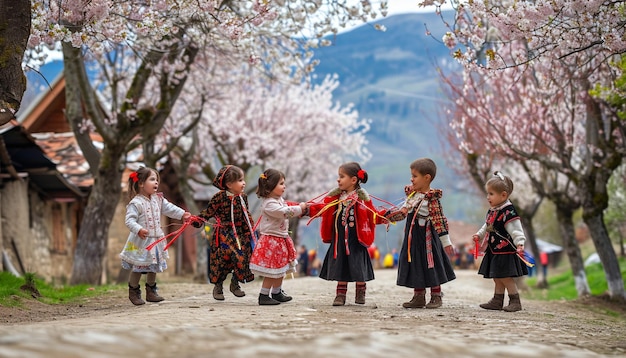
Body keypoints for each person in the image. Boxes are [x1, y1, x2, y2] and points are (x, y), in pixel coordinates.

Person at [308, 162, 389, 306]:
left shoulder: (363, 199)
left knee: (357, 265)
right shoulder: (336, 198)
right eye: (338, 176)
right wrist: (306, 210)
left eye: (342, 176)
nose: (338, 180)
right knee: (341, 265)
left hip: (356, 240)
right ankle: (340, 295)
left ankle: (360, 292)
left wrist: (389, 216)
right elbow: (322, 209)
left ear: (353, 180)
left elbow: (373, 215)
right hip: (339, 240)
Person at [384, 158, 456, 309]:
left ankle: (436, 296)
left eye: (415, 176)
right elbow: (403, 213)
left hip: (429, 239)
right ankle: (418, 296)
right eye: (411, 175)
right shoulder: (412, 196)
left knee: (431, 263)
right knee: (415, 263)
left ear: (427, 177)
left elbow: (440, 221)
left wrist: (446, 242)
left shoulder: (432, 199)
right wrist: (387, 216)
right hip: (414, 238)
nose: (411, 179)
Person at [120, 166, 191, 306]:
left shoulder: (158, 200)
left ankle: (151, 291)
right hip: (141, 242)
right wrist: (139, 229)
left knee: (153, 266)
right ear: (141, 183)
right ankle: (133, 291)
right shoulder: (136, 203)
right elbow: (129, 221)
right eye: (152, 179)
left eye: (157, 180)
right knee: (138, 267)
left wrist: (183, 214)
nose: (156, 183)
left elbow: (170, 208)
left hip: (155, 240)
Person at [194, 165, 256, 300]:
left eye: (243, 179)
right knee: (221, 260)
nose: (244, 183)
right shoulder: (219, 198)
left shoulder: (243, 197)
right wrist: (199, 220)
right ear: (229, 184)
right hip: (223, 234)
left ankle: (235, 283)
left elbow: (246, 215)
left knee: (242, 257)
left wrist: (250, 229)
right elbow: (208, 212)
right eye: (240, 180)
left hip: (239, 234)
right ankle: (218, 286)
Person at [249, 169, 308, 305]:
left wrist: (299, 207)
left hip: (280, 239)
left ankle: (276, 291)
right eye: (281, 183)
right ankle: (264, 295)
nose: (284, 186)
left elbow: (287, 208)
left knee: (281, 268)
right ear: (270, 186)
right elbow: (284, 212)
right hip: (271, 241)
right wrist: (300, 208)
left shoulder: (278, 200)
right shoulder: (269, 204)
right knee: (272, 270)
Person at [473, 171, 528, 312]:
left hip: (505, 250)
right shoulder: (494, 210)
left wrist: (520, 243)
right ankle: (497, 301)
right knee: (497, 276)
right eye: (488, 193)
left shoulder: (508, 211)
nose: (488, 197)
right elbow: (487, 225)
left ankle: (515, 301)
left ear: (503, 195)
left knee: (505, 276)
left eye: (491, 194)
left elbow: (516, 229)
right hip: (494, 249)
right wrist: (479, 235)